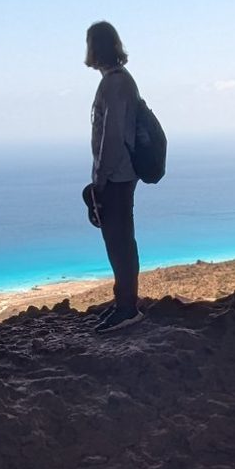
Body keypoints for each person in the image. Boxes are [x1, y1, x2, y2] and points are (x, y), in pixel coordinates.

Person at [84, 20, 142, 333]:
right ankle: (123, 303)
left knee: (119, 242)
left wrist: (100, 179)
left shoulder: (115, 84)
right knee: (117, 240)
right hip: (118, 174)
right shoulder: (115, 81)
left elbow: (113, 137)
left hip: (117, 176)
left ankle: (128, 309)